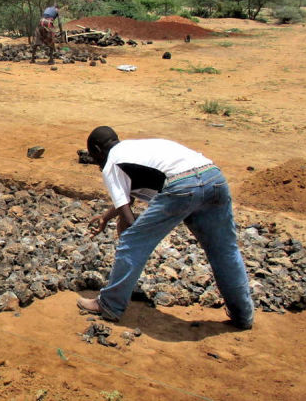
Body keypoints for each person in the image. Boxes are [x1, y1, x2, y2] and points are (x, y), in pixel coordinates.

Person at [78, 126, 254, 329]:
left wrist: (133, 241)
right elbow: (128, 198)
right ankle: (243, 316)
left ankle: (109, 304)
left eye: (94, 157)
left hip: (183, 186)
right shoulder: (137, 148)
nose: (97, 163)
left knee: (133, 240)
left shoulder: (111, 163)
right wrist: (107, 216)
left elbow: (129, 216)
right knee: (224, 250)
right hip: (213, 177)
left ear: (98, 150)